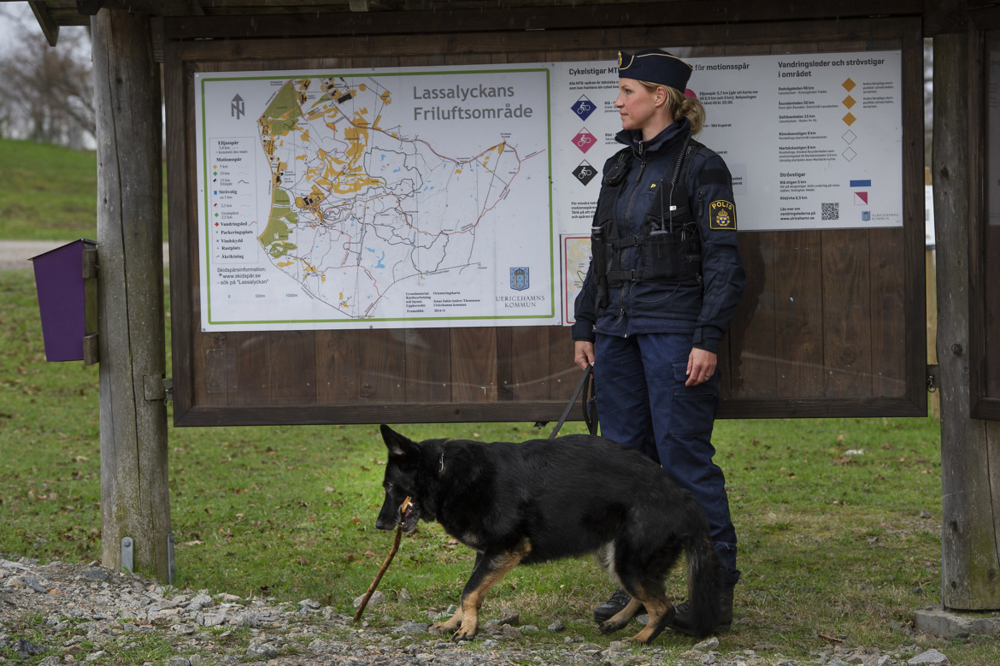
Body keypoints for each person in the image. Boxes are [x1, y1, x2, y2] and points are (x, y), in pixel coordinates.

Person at [571, 49, 746, 635]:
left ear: (660, 97)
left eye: (625, 91)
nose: (616, 102)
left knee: (685, 465)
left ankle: (712, 598)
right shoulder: (618, 168)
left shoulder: (704, 168)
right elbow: (601, 256)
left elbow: (725, 263)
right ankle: (640, 594)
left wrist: (707, 338)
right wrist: (584, 325)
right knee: (624, 468)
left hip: (675, 335)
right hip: (617, 334)